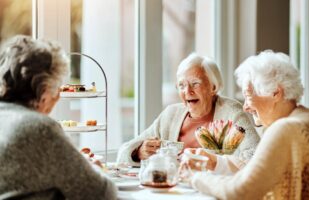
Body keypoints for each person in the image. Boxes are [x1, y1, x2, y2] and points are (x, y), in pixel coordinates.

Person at [186, 50, 309, 200]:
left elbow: (241, 191)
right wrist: (215, 161)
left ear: (275, 93)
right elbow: (260, 172)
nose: (245, 107)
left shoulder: (286, 129)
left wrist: (195, 178)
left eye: (248, 96)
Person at [0, 35, 117, 200]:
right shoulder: (39, 128)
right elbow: (102, 193)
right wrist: (92, 167)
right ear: (45, 89)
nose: (58, 97)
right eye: (58, 88)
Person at [117, 53, 260, 166]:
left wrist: (216, 163)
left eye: (195, 84)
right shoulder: (171, 114)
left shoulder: (231, 112)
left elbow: (256, 154)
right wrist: (139, 153)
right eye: (181, 85)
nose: (187, 91)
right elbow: (123, 152)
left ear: (213, 87)